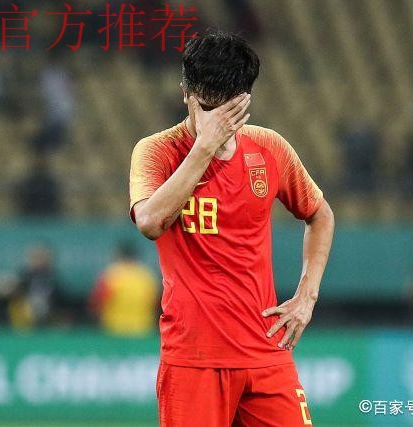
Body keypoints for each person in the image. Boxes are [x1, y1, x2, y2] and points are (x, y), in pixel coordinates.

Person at [129, 30, 335, 427]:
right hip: (194, 358)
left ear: (244, 101)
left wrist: (306, 297)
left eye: (227, 112)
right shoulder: (156, 151)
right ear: (186, 93)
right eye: (206, 109)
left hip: (266, 351)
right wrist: (204, 148)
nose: (216, 124)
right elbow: (151, 222)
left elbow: (320, 214)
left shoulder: (269, 148)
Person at [88, 242, 159, 337]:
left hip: (114, 329)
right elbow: (156, 303)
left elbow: (97, 302)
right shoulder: (147, 276)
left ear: (119, 255)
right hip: (142, 330)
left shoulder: (111, 274)